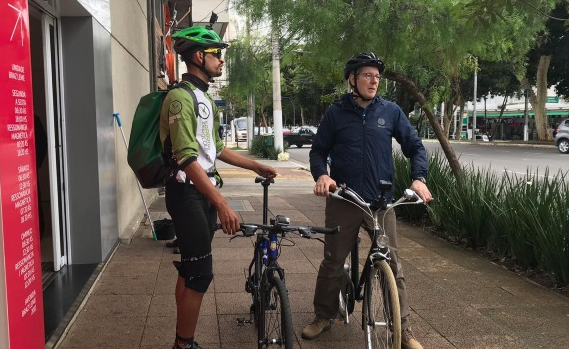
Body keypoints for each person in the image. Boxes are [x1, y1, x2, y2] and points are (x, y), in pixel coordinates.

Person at [303, 52, 433, 349]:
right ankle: (323, 316)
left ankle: (404, 330)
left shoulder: (390, 111)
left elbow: (414, 146)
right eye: (367, 75)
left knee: (393, 264)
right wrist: (321, 175)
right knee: (333, 261)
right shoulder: (336, 113)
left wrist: (419, 177)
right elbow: (318, 151)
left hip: (381, 201)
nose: (374, 81)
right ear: (352, 79)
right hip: (345, 198)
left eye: (377, 77)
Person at [161, 26, 277, 349]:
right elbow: (186, 159)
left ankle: (180, 341)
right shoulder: (180, 99)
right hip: (187, 194)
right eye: (217, 55)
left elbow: (215, 149)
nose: (222, 61)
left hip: (200, 193)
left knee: (190, 269)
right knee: (200, 274)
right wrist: (223, 204)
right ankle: (185, 344)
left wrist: (256, 165)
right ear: (199, 57)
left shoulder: (203, 98)